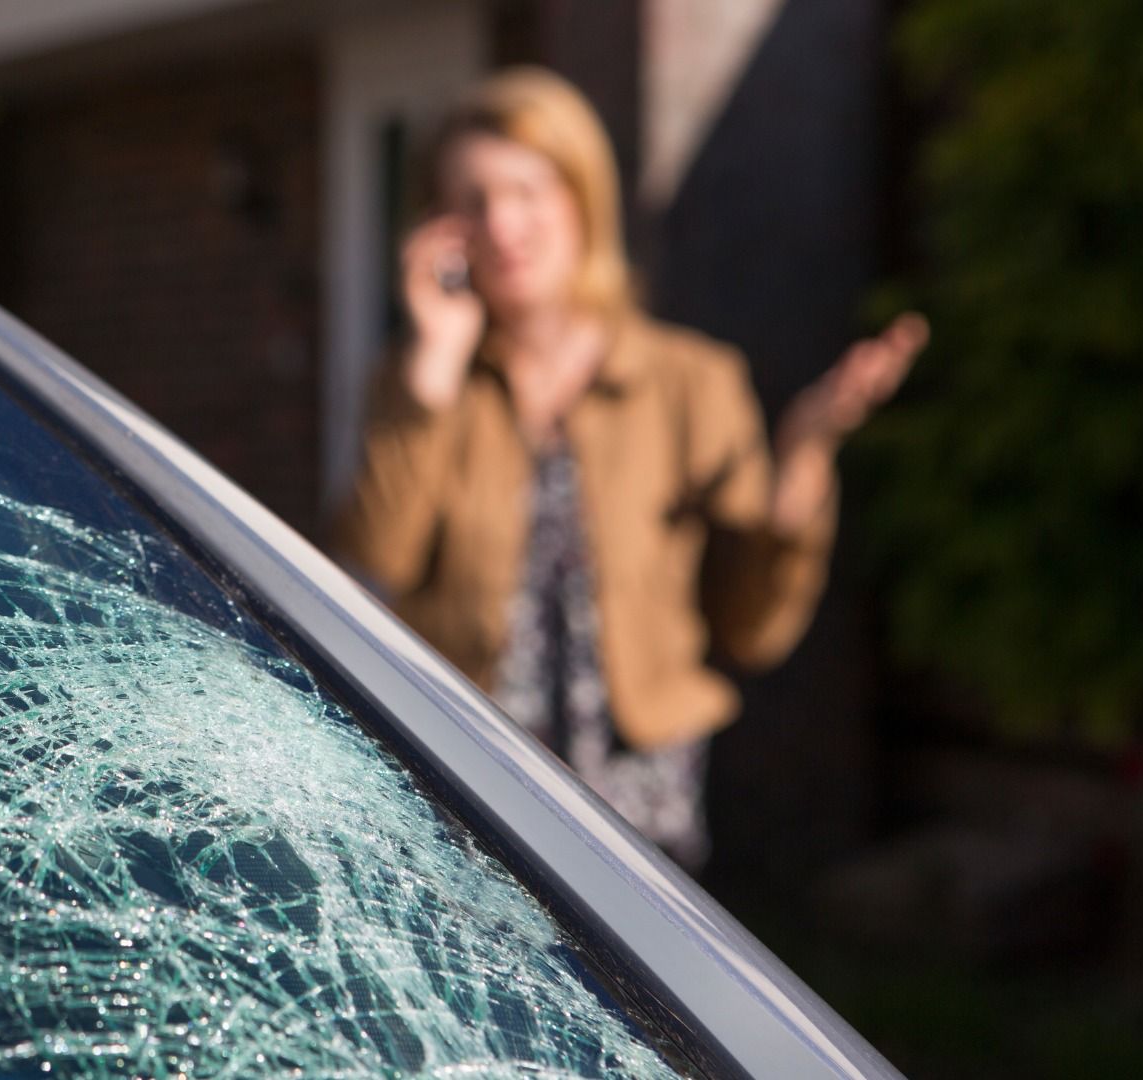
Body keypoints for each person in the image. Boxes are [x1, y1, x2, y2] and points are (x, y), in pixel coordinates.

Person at [331, 67, 927, 868]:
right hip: (460, 798)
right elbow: (368, 572)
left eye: (527, 190)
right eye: (471, 200)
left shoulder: (692, 381)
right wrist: (431, 374)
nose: (502, 224)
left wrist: (806, 455)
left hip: (642, 817)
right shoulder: (420, 386)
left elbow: (754, 626)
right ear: (440, 227)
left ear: (582, 198)